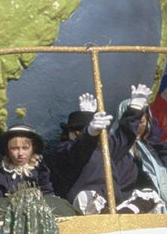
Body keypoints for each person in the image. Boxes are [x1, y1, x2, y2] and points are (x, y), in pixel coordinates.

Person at [48, 86, 153, 214]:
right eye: (77, 132)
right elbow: (80, 149)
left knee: (149, 197)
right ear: (68, 133)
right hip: (85, 204)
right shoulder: (64, 150)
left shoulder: (105, 148)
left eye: (85, 130)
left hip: (114, 200)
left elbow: (124, 136)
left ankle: (124, 212)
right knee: (86, 199)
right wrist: (89, 133)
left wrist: (135, 109)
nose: (80, 134)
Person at [0, 125, 54, 197]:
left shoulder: (41, 172)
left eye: (25, 148)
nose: (20, 153)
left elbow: (49, 195)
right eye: (14, 148)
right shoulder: (0, 177)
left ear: (33, 149)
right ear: (7, 151)